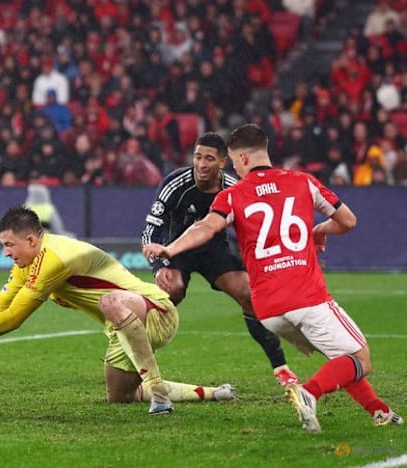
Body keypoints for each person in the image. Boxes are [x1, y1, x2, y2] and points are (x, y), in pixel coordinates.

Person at [143, 124, 403, 433]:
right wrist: (319, 230)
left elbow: (205, 227)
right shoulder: (302, 181)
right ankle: (309, 392)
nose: (235, 168)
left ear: (242, 158)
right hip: (306, 298)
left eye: (234, 162)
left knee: (341, 359)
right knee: (360, 358)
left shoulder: (232, 194)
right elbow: (348, 220)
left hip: (268, 311)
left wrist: (169, 249)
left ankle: (379, 410)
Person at [0, 206, 236, 414]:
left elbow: (14, 319)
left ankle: (159, 394)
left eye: (9, 245)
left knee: (109, 301)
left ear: (31, 239)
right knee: (121, 397)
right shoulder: (28, 262)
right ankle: (214, 393)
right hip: (123, 327)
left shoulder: (55, 257)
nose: (5, 253)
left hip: (155, 310)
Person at [141, 132, 298, 386]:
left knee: (248, 294)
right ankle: (136, 361)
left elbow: (253, 230)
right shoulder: (175, 184)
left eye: (209, 159)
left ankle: (281, 368)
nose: (201, 164)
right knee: (172, 290)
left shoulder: (233, 187)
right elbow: (151, 229)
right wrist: (158, 266)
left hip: (214, 250)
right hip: (176, 250)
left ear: (223, 162)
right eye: (198, 157)